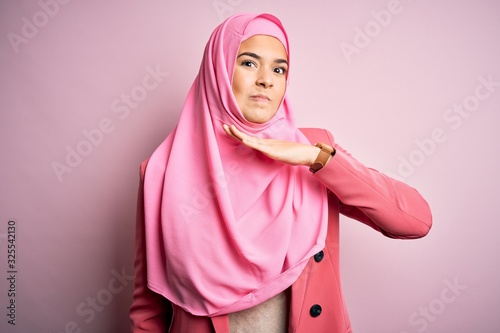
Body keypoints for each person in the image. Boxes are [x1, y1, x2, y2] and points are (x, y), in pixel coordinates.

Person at [129, 13, 432, 333]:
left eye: (279, 69)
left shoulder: (315, 151)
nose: (266, 80)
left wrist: (316, 159)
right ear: (217, 70)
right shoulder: (161, 173)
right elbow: (148, 308)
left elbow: (415, 221)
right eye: (248, 63)